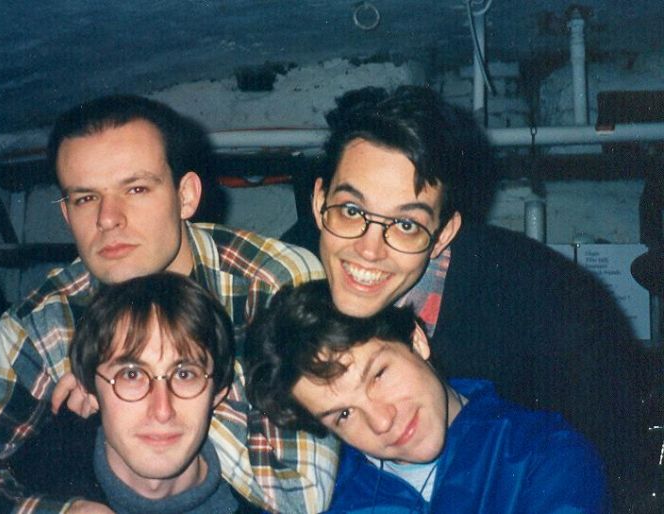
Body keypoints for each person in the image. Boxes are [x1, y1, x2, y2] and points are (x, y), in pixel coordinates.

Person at [0, 95, 333, 513]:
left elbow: (302, 493)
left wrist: (139, 393)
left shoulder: (271, 282)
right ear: (67, 216)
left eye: (135, 189)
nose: (108, 218)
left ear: (186, 196)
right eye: (85, 198)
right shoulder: (47, 317)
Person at [282, 85, 652, 509]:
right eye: (351, 210)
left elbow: (619, 460)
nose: (368, 250)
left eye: (406, 225)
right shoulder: (276, 289)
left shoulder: (550, 302)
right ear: (319, 201)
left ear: (444, 234)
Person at [245, 280, 609, 512]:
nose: (382, 421)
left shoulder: (544, 455)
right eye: (343, 415)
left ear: (416, 340)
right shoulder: (331, 500)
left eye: (379, 375)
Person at [68, 272, 240, 513]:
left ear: (218, 394)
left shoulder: (257, 504)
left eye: (184, 375)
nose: (162, 411)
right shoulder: (32, 486)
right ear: (89, 391)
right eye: (131, 375)